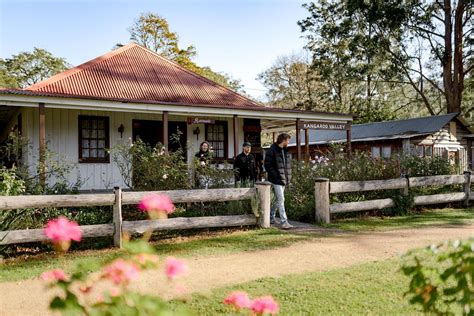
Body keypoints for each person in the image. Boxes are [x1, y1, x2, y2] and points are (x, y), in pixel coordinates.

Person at [264, 133, 293, 229]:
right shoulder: (272, 150)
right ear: (283, 140)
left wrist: (288, 178)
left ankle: (271, 217)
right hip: (276, 180)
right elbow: (267, 165)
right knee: (281, 199)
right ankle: (284, 221)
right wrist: (276, 176)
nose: (288, 142)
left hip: (283, 180)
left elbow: (287, 166)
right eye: (288, 140)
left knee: (277, 200)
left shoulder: (285, 151)